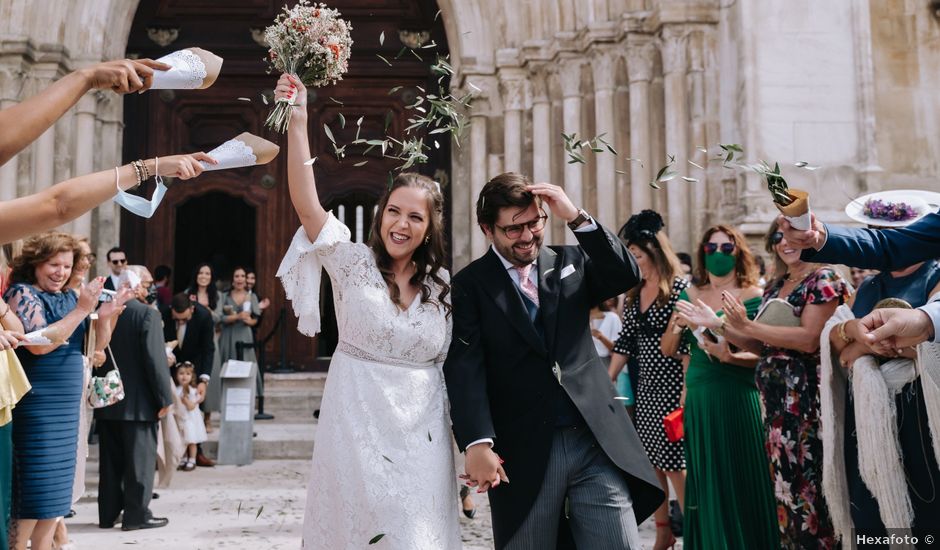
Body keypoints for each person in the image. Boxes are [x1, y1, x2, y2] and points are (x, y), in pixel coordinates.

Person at [274, 73, 459, 549]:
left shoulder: (442, 287)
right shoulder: (350, 260)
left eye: (415, 216)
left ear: (429, 227)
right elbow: (305, 201)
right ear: (381, 214)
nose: (401, 223)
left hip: (424, 438)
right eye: (394, 211)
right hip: (355, 427)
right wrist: (298, 121)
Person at [444, 173, 663, 550]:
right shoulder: (470, 285)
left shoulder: (571, 260)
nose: (528, 236)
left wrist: (577, 218)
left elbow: (626, 272)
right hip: (522, 449)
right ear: (487, 229)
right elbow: (465, 365)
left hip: (594, 441)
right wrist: (477, 442)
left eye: (535, 222)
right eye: (514, 229)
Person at [678, 220, 849, 548]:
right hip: (774, 411)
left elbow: (809, 339)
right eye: (778, 237)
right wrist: (719, 325)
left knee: (814, 500)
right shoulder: (776, 286)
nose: (786, 243)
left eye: (794, 236)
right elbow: (761, 347)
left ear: (811, 238)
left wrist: (745, 326)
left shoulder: (824, 278)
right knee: (785, 500)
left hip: (807, 407)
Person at [820, 193, 940, 544]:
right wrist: (851, 332)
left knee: (924, 508)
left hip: (920, 414)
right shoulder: (869, 286)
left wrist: (861, 344)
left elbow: (920, 343)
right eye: (874, 230)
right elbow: (839, 348)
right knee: (870, 506)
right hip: (869, 417)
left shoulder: (936, 274)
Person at [662, 225, 777, 549]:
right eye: (711, 248)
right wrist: (678, 323)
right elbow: (669, 349)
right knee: (706, 479)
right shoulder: (689, 293)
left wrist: (727, 355)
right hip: (700, 397)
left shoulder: (754, 294)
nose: (718, 255)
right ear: (702, 253)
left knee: (742, 476)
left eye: (726, 249)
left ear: (739, 252)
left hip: (738, 396)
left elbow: (763, 352)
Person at [2, 233, 112, 549]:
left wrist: (106, 315)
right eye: (53, 264)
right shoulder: (21, 294)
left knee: (57, 495)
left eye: (66, 265)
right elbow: (38, 345)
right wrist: (81, 309)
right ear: (35, 264)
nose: (60, 272)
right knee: (35, 491)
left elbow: (95, 349)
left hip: (66, 405)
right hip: (37, 404)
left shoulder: (69, 297)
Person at [607, 210, 688, 550]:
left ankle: (694, 529)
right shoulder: (634, 292)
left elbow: (687, 349)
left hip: (672, 387)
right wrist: (607, 381)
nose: (634, 261)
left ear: (655, 251)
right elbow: (625, 342)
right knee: (651, 464)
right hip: (646, 388)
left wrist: (685, 395)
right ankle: (663, 531)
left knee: (674, 465)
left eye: (637, 255)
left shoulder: (679, 289)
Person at [779, 210, 940, 351]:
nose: (888, 233)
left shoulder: (934, 277)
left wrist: (859, 349)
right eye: (876, 229)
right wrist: (851, 328)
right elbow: (831, 337)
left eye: (898, 229)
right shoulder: (867, 285)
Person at [95, 266, 175, 532]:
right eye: (147, 282)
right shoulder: (146, 315)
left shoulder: (102, 312)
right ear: (137, 286)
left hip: (108, 399)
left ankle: (107, 514)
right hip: (139, 403)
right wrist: (165, 398)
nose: (150, 288)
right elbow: (155, 362)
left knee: (110, 463)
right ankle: (136, 515)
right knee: (139, 463)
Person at [163, 293, 215, 468]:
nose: (181, 322)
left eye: (184, 319)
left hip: (194, 369)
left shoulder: (204, 316)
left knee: (192, 414)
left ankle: (196, 452)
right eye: (178, 319)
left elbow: (208, 349)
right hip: (170, 369)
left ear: (192, 309)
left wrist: (203, 380)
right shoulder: (163, 314)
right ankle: (172, 453)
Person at [185, 263, 222, 438]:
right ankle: (192, 412)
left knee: (210, 376)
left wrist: (204, 310)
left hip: (211, 338)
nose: (204, 276)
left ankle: (208, 417)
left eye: (207, 273)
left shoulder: (217, 296)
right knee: (191, 375)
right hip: (192, 338)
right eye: (201, 272)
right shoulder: (188, 293)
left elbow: (220, 317)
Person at [218, 267, 261, 397]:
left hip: (244, 334)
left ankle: (249, 396)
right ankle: (225, 396)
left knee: (247, 363)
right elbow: (220, 317)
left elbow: (256, 319)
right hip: (227, 335)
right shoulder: (224, 296)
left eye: (242, 276)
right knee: (227, 362)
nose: (240, 279)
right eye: (237, 276)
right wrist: (237, 317)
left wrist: (249, 321)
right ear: (232, 280)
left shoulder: (251, 296)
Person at [173, 362, 207, 472]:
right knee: (181, 440)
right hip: (180, 418)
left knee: (191, 440)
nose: (184, 376)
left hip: (190, 420)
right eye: (181, 373)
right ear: (176, 375)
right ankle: (183, 458)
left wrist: (186, 401)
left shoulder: (193, 391)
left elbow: (192, 406)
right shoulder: (175, 390)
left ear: (192, 376)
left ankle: (192, 459)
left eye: (188, 374)